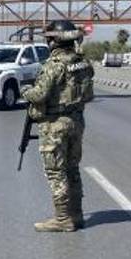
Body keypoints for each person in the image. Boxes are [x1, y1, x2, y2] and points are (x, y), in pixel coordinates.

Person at [22, 19, 94, 232]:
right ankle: (76, 215)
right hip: (76, 121)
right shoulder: (83, 63)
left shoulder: (54, 66)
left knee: (56, 172)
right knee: (73, 169)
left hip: (54, 125)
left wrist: (25, 91)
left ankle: (63, 219)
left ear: (55, 41)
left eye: (49, 38)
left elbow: (39, 94)